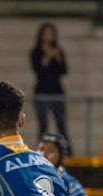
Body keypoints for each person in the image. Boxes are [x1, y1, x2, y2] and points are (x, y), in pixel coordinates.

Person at [30, 22, 70, 151]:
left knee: (61, 124)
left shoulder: (58, 51)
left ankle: (67, 152)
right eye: (46, 33)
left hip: (57, 92)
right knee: (43, 124)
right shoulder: (36, 52)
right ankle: (41, 151)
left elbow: (64, 70)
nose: (48, 36)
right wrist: (47, 56)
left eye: (50, 34)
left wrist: (57, 56)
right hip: (41, 91)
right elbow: (38, 70)